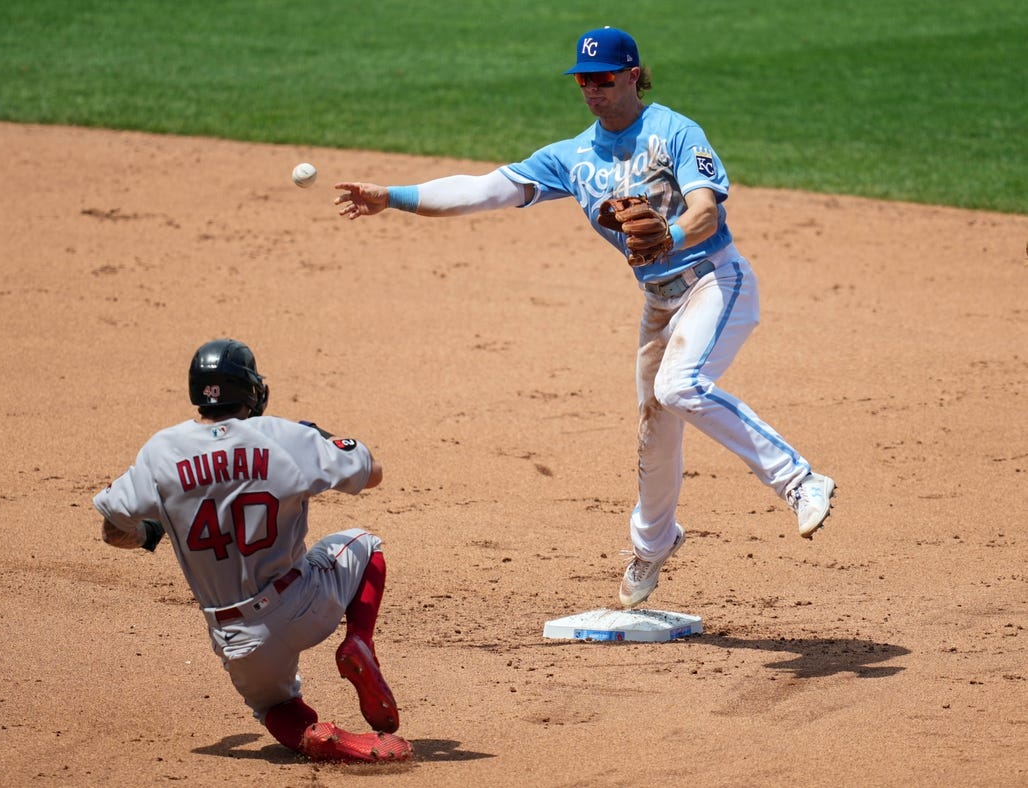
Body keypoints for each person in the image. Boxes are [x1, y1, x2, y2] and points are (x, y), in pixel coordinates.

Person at [333, 26, 836, 610]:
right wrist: (391, 196)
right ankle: (653, 545)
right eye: (582, 80)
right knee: (655, 427)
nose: (592, 90)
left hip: (716, 282)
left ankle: (800, 481)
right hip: (660, 303)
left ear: (631, 75)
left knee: (680, 387)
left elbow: (703, 212)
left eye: (602, 79)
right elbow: (484, 190)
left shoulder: (674, 131)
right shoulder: (570, 157)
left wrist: (667, 235)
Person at [93, 338, 412, 763]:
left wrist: (151, 533)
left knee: (275, 708)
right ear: (249, 390)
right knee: (363, 544)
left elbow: (113, 529)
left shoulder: (160, 451)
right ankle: (359, 643)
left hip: (237, 636)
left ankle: (324, 737)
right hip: (303, 604)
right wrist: (321, 439)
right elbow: (372, 473)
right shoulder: (282, 436)